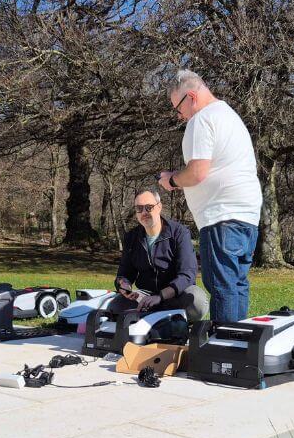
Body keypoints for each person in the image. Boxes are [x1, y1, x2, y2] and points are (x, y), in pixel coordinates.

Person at [158, 69, 263, 323]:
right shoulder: (228, 115)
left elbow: (197, 172)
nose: (179, 116)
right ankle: (237, 344)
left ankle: (224, 350)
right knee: (236, 284)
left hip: (221, 216)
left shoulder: (202, 118)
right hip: (246, 216)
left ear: (192, 96)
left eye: (178, 107)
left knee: (221, 285)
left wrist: (171, 180)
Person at [109, 188, 209, 323]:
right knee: (115, 307)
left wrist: (160, 296)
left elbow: (187, 274)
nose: (144, 212)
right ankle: (158, 318)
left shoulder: (179, 233)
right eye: (139, 208)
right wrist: (124, 285)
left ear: (159, 207)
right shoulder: (131, 237)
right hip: (146, 296)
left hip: (175, 295)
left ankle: (166, 319)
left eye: (149, 207)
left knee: (197, 301)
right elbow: (125, 272)